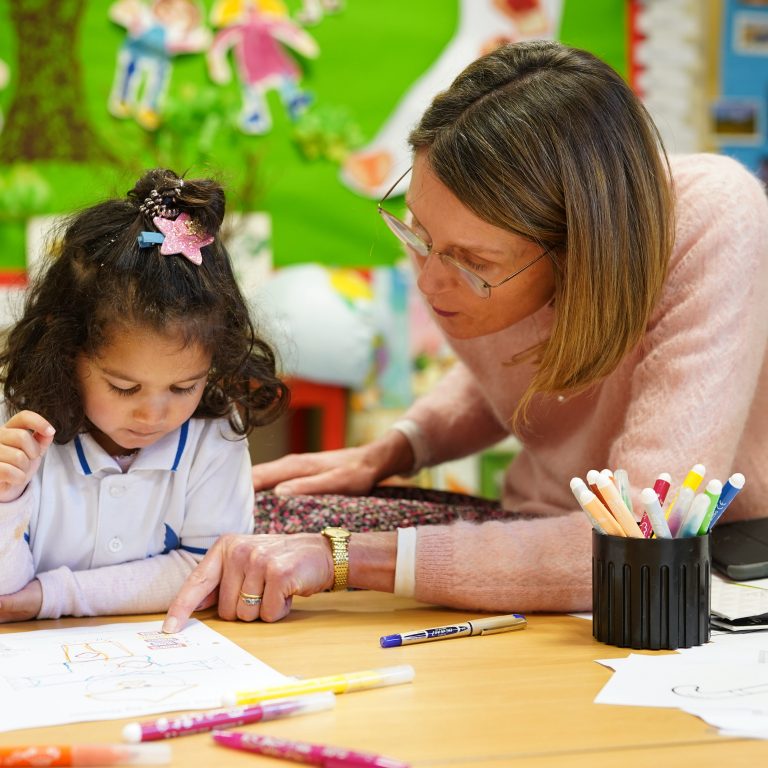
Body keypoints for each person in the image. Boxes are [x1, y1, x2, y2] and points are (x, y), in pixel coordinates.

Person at [163, 40, 768, 632]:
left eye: (469, 261)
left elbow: (640, 536)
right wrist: (396, 449)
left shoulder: (711, 220)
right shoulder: (465, 248)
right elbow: (509, 364)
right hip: (537, 527)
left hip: (705, 575)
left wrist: (344, 557)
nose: (429, 280)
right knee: (259, 521)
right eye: (420, 234)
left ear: (580, 249)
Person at [0, 168, 288, 622]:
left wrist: (48, 597)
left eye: (184, 386)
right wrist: (6, 499)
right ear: (66, 349)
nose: (154, 413)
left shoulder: (214, 435)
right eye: (124, 387)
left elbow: (204, 569)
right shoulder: (17, 428)